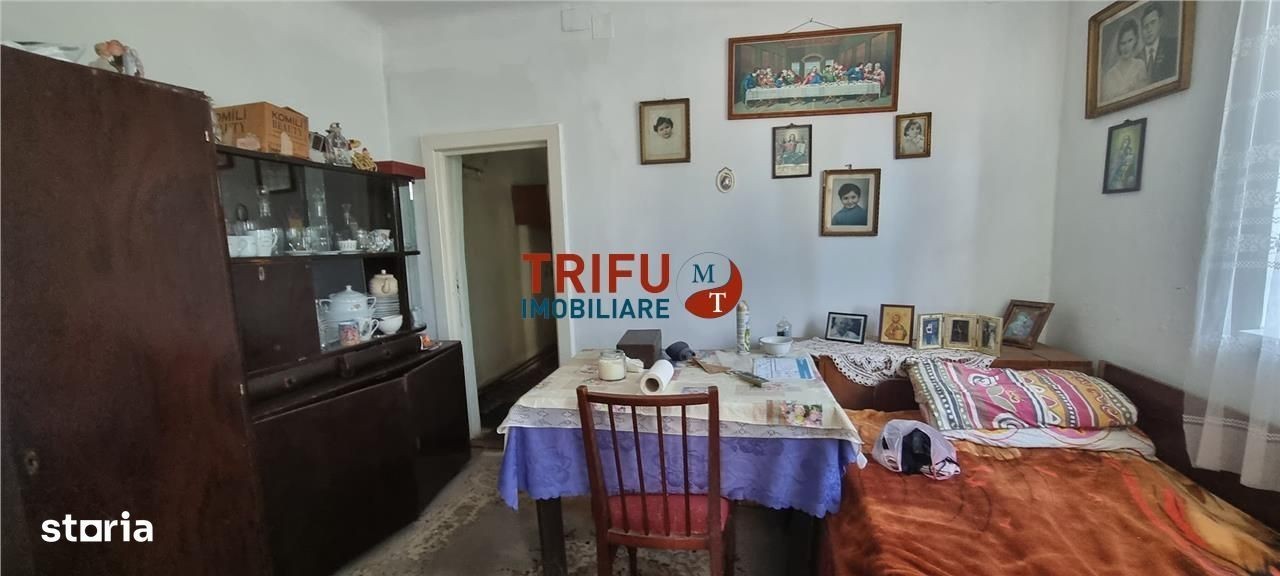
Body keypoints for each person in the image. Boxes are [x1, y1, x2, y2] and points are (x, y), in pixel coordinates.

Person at [1102, 19, 1150, 101]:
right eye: (1122, 43)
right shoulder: (1110, 75)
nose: (1126, 47)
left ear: (1136, 39)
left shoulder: (1140, 65)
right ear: (1118, 44)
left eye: (1130, 41)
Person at [1140, 3, 1178, 82]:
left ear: (1160, 22)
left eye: (1153, 23)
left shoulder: (1173, 45)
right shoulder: (1136, 58)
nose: (1149, 30)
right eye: (1145, 26)